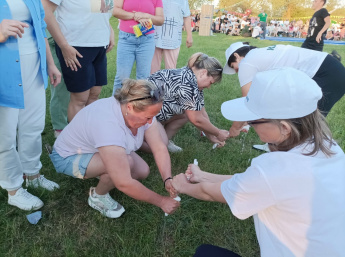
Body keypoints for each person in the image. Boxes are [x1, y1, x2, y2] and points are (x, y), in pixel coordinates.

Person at [172, 68, 345, 257]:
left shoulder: (275, 169)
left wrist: (183, 186)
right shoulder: (330, 147)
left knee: (204, 253)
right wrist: (203, 176)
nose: (250, 125)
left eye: (253, 121)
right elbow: (253, 183)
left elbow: (213, 193)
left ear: (285, 128)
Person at [50, 79, 180, 218]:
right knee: (127, 164)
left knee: (142, 171)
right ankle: (97, 196)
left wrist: (167, 178)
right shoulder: (108, 125)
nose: (151, 122)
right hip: (68, 156)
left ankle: (106, 172)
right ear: (130, 107)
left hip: (95, 148)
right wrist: (161, 201)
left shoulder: (140, 108)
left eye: (153, 117)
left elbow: (159, 148)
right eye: (148, 117)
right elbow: (123, 183)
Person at [0, 0, 61, 210]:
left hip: (34, 68)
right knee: (5, 135)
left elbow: (40, 27)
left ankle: (32, 174)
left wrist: (50, 64)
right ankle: (13, 189)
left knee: (33, 126)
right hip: (4, 73)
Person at [223, 42, 345, 139]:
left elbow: (247, 102)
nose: (238, 72)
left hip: (328, 74)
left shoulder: (247, 62)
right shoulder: (259, 55)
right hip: (331, 70)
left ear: (236, 56)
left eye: (235, 67)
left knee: (307, 123)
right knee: (293, 113)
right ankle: (280, 144)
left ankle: (313, 157)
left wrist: (235, 128)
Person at [42, 0, 115, 122]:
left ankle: (90, 136)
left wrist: (110, 30)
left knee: (94, 95)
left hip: (99, 45)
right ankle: (76, 140)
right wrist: (64, 46)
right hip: (76, 46)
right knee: (80, 98)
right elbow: (45, 10)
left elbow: (101, 11)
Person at [147, 53, 229, 153]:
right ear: (203, 73)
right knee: (159, 148)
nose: (209, 87)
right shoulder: (189, 85)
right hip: (144, 116)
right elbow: (196, 119)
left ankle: (165, 140)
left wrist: (212, 136)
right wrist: (218, 132)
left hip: (153, 113)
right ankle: (134, 146)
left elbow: (201, 112)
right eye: (211, 82)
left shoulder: (190, 75)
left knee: (186, 114)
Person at [112, 0, 164, 94]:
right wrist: (136, 16)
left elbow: (160, 20)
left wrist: (146, 16)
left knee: (143, 79)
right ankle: (115, 106)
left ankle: (140, 106)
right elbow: (115, 11)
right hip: (126, 39)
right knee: (121, 78)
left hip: (147, 40)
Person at [150, 0, 193, 74]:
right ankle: (152, 85)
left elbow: (186, 16)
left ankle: (170, 85)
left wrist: (189, 35)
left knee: (171, 70)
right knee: (153, 69)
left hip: (173, 38)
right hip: (155, 35)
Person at [47, 30, 69, 138]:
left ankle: (72, 120)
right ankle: (60, 127)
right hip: (55, 35)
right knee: (60, 85)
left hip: (73, 35)